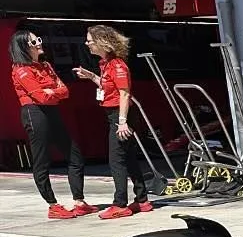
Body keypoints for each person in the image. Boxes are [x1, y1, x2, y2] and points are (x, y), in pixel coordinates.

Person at [8, 28, 96, 220]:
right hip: (35, 113)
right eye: (34, 42)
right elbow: (40, 96)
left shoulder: (46, 65)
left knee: (75, 155)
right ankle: (53, 205)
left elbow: (65, 91)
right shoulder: (21, 70)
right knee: (42, 160)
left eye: (38, 39)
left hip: (52, 112)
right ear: (24, 47)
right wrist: (52, 92)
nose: (39, 43)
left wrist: (52, 92)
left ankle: (79, 201)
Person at [73, 24, 152, 219]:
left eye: (90, 41)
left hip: (120, 115)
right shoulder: (106, 64)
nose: (87, 44)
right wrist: (91, 76)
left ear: (102, 42)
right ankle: (142, 199)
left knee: (116, 160)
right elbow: (108, 86)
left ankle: (120, 204)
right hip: (116, 115)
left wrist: (122, 122)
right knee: (129, 157)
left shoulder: (117, 66)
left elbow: (124, 94)